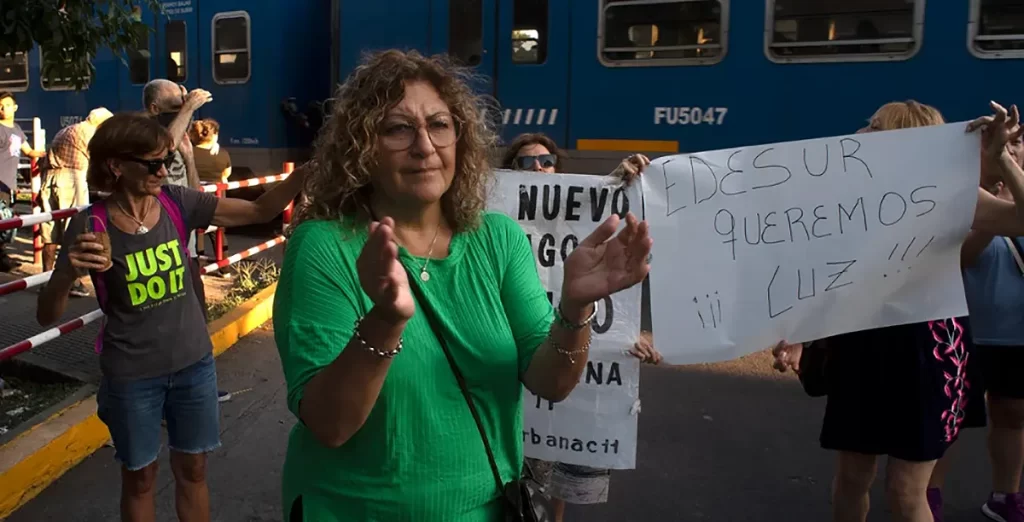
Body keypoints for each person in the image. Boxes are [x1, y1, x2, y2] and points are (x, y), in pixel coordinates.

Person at [273, 49, 652, 521]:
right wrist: (385, 321)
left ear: (461, 138)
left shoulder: (498, 240)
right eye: (397, 128)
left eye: (439, 125)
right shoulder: (324, 246)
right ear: (361, 146)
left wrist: (575, 308)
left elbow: (550, 382)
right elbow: (329, 425)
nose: (424, 146)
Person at [35, 112, 307, 522]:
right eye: (152, 163)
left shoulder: (177, 202)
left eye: (165, 161)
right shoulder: (90, 225)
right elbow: (45, 315)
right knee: (140, 478)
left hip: (194, 366)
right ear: (116, 165)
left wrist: (302, 176)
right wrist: (68, 275)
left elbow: (258, 211)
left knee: (194, 470)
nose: (164, 170)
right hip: (132, 376)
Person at [772, 100, 1024, 522]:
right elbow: (824, 271)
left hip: (929, 352)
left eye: (874, 125)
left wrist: (1001, 158)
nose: (862, 131)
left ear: (902, 141)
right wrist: (797, 332)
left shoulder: (953, 194)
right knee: (853, 477)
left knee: (907, 488)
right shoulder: (846, 196)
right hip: (860, 344)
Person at [502, 132, 661, 519]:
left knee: (554, 487)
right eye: (525, 163)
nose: (537, 168)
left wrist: (628, 339)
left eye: (546, 161)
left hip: (563, 369)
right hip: (512, 366)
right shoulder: (496, 227)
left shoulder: (580, 229)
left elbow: (597, 219)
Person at [959, 129, 1024, 522]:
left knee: (1013, 414)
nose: (1010, 149)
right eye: (1005, 143)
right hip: (964, 333)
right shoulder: (967, 194)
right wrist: (998, 214)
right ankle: (925, 495)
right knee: (948, 422)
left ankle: (1006, 496)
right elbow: (964, 257)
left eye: (1018, 143)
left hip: (1015, 335)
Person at [40, 107, 114, 296]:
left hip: (50, 177)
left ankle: (46, 277)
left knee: (50, 231)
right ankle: (73, 281)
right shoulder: (90, 134)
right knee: (73, 230)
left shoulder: (67, 130)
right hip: (72, 179)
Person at [0, 90, 46, 272]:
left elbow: (29, 151)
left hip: (8, 184)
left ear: (15, 107)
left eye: (8, 105)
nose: (3, 108)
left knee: (6, 221)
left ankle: (3, 258)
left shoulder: (17, 130)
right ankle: (3, 260)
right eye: (1, 105)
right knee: (3, 221)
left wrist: (44, 154)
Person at [189, 118, 231, 257]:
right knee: (217, 230)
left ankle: (198, 259)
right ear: (214, 135)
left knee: (197, 229)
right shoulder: (222, 154)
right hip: (217, 197)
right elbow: (226, 173)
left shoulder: (189, 153)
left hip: (195, 196)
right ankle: (224, 267)